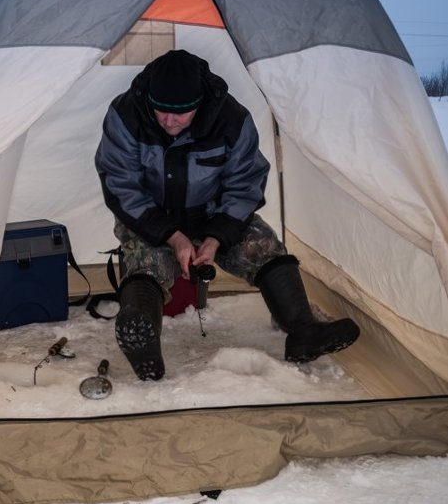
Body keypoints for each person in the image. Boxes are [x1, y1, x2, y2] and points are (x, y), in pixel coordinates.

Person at [94, 48, 359, 380]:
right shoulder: (126, 114)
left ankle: (304, 329)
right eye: (160, 110)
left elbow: (245, 183)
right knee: (145, 261)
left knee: (262, 246)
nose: (169, 120)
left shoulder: (232, 119)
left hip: (211, 214)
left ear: (200, 103)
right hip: (152, 216)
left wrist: (217, 238)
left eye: (180, 113)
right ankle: (142, 341)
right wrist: (173, 237)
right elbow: (121, 185)